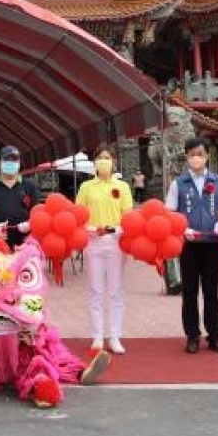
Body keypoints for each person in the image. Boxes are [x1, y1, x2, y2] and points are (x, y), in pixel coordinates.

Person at [166, 137, 218, 354]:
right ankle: (192, 336)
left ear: (207, 156)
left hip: (212, 243)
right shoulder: (178, 183)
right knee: (190, 291)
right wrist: (181, 229)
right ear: (186, 157)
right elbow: (169, 212)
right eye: (192, 154)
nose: (196, 158)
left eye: (200, 154)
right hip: (189, 244)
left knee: (211, 292)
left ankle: (215, 336)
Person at [74, 145, 134, 355]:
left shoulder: (122, 187)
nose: (103, 161)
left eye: (107, 158)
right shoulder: (86, 187)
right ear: (94, 163)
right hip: (93, 242)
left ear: (114, 161)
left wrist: (120, 229)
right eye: (99, 158)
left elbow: (129, 216)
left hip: (116, 241)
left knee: (116, 291)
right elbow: (78, 215)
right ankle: (97, 336)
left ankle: (115, 336)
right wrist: (88, 228)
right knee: (95, 291)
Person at [0, 145, 40, 249]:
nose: (10, 163)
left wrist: (30, 224)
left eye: (14, 160)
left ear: (19, 163)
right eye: (6, 159)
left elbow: (37, 213)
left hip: (24, 245)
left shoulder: (30, 186)